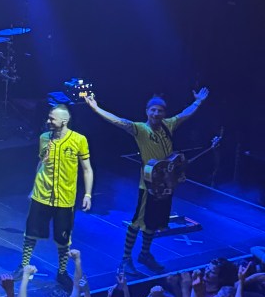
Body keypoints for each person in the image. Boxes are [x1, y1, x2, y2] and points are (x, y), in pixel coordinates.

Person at [85, 87, 209, 273]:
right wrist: (96, 109)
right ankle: (125, 259)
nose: (156, 113)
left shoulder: (168, 124)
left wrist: (198, 101)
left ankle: (145, 254)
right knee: (138, 221)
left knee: (154, 222)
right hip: (149, 184)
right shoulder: (140, 129)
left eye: (160, 110)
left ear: (164, 113)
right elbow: (118, 121)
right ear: (147, 112)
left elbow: (185, 114)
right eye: (153, 110)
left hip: (166, 182)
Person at [17, 104, 93, 286]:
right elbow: (41, 163)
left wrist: (88, 194)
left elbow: (87, 169)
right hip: (41, 194)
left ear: (64, 121)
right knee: (31, 232)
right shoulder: (44, 138)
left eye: (52, 118)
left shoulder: (79, 140)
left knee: (63, 238)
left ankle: (62, 272)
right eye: (49, 117)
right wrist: (33, 188)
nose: (48, 121)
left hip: (65, 198)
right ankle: (23, 265)